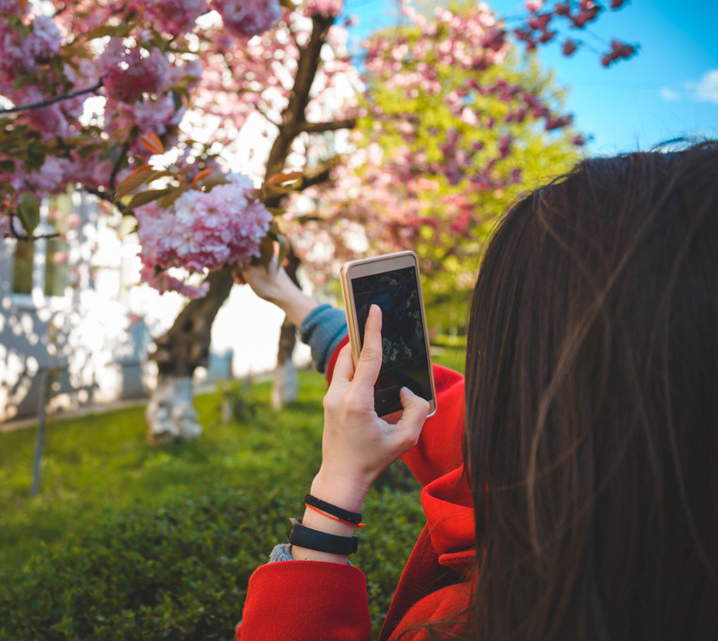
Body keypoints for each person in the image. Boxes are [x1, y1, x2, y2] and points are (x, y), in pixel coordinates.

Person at [234, 140, 718, 641]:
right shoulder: (647, 478)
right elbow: (433, 407)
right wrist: (291, 300)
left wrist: (334, 494)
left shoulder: (465, 623)